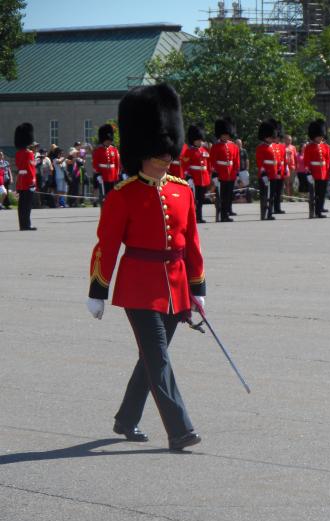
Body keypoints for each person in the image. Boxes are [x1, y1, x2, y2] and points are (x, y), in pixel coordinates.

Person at [86, 83, 205, 451]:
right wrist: (97, 291)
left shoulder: (182, 190)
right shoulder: (123, 195)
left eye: (169, 150)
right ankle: (180, 429)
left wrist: (198, 288)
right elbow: (106, 246)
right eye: (159, 152)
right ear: (142, 152)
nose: (167, 157)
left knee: (152, 359)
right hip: (138, 286)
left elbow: (192, 244)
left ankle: (126, 418)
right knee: (158, 357)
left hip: (175, 285)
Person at [209, 117, 239, 222]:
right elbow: (212, 161)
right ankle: (221, 214)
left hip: (230, 174)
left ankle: (226, 214)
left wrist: (235, 173)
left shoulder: (234, 146)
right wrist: (215, 175)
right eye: (223, 134)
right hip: (220, 175)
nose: (225, 136)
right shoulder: (215, 146)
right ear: (220, 135)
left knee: (228, 196)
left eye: (226, 134)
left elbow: (236, 161)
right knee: (221, 196)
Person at [182, 123, 211, 223]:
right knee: (195, 200)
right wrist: (189, 177)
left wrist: (209, 175)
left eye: (200, 140)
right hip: (194, 179)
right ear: (193, 140)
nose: (199, 142)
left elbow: (208, 164)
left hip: (203, 177)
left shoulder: (204, 150)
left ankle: (200, 216)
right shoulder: (189, 152)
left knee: (201, 199)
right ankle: (195, 217)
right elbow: (185, 166)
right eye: (197, 140)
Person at [303, 119, 330, 218]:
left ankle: (319, 211)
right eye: (318, 135)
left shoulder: (326, 147)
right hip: (314, 173)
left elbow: (327, 161)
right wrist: (308, 173)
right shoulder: (309, 147)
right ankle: (314, 210)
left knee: (322, 193)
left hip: (323, 172)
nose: (320, 137)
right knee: (314, 194)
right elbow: (306, 161)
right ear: (314, 136)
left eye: (321, 135)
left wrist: (327, 171)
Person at [14, 122, 37, 230]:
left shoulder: (18, 153)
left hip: (21, 181)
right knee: (27, 205)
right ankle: (26, 224)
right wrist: (33, 181)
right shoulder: (29, 153)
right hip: (28, 181)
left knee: (21, 205)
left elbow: (19, 166)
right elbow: (31, 169)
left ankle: (22, 224)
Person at [92, 124, 120, 207]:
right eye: (107, 140)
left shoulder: (114, 150)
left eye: (109, 140)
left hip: (112, 175)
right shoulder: (98, 150)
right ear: (103, 140)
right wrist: (98, 174)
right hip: (103, 176)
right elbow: (95, 164)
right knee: (104, 197)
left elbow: (117, 164)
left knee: (112, 195)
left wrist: (116, 175)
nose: (109, 141)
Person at [255, 119, 278, 220]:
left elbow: (276, 161)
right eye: (269, 137)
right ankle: (264, 213)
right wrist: (263, 173)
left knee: (271, 195)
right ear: (265, 137)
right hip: (265, 174)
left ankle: (269, 213)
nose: (271, 139)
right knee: (264, 195)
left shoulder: (273, 147)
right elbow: (260, 162)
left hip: (273, 174)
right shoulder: (261, 147)